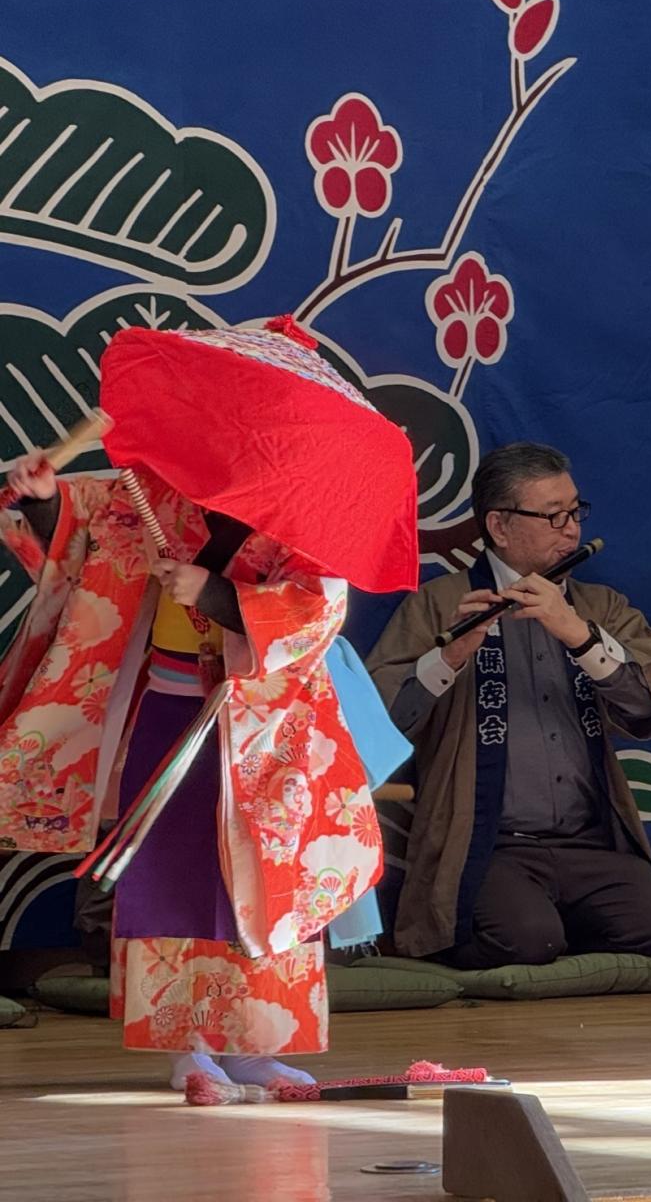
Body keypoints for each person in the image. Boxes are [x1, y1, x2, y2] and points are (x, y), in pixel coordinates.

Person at [0, 458, 372, 1090]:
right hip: (169, 706)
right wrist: (42, 500)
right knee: (171, 875)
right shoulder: (152, 489)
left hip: (262, 724)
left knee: (258, 880)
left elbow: (320, 604)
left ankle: (258, 1042)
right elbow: (82, 532)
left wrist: (216, 594)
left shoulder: (297, 504)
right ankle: (186, 1045)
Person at [367, 442, 651, 969]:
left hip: (587, 842)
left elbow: (643, 710)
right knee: (524, 941)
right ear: (499, 526)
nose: (571, 530)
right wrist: (447, 657)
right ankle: (537, 929)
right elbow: (381, 723)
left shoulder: (599, 607)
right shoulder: (438, 604)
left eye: (575, 512)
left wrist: (580, 636)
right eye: (552, 516)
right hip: (487, 846)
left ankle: (559, 928)